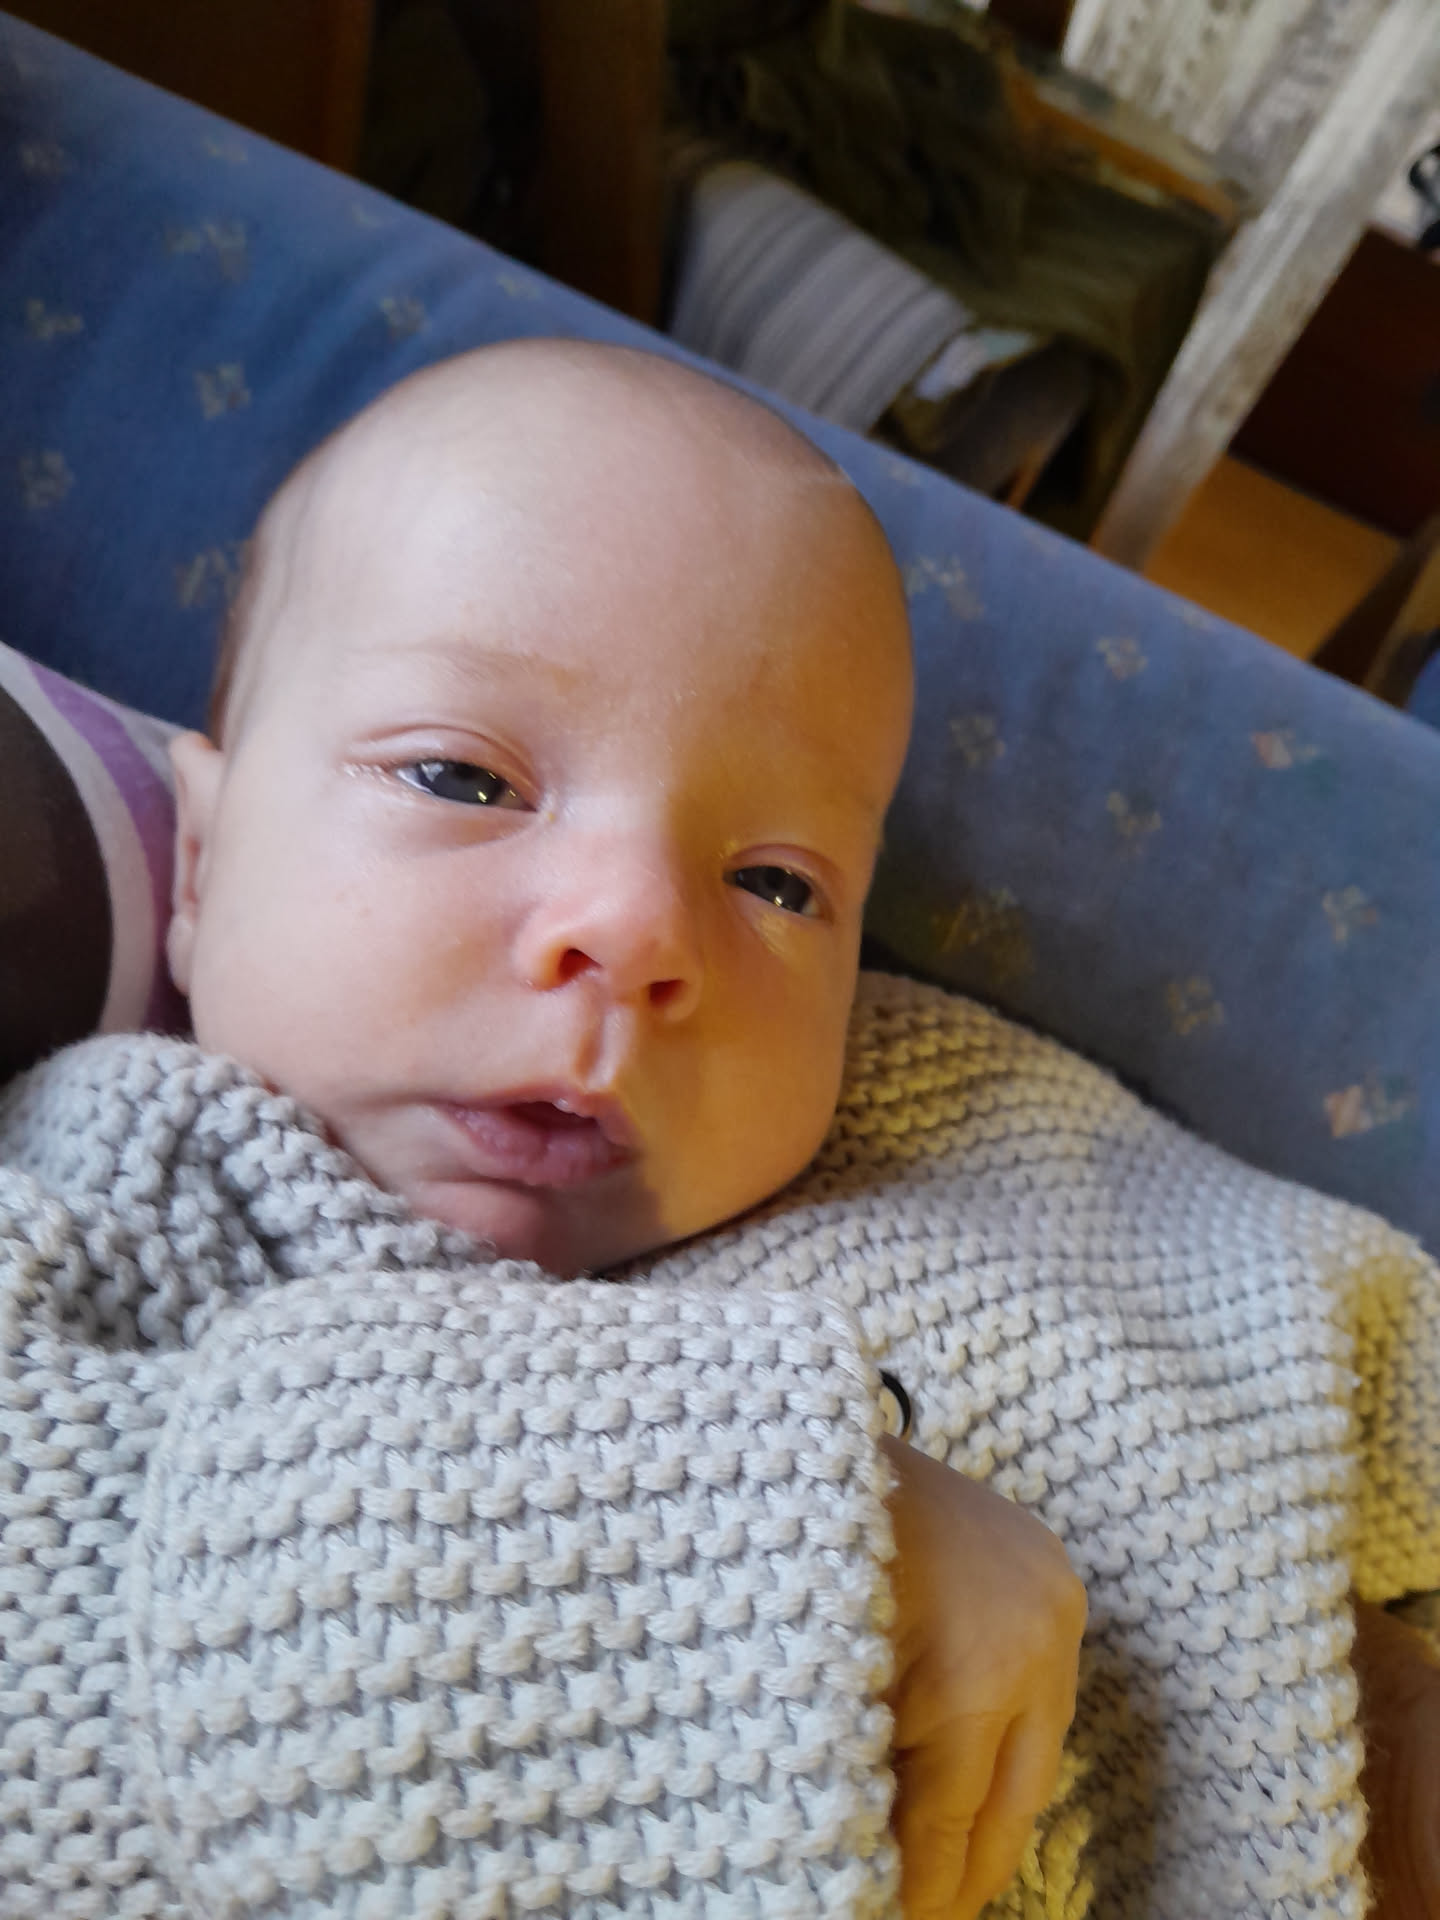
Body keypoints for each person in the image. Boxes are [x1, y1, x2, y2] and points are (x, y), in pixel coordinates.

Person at [160, 335, 1088, 1918]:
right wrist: (779, 1504)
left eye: (776, 883)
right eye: (463, 778)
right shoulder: (115, 1169)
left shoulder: (933, 1153)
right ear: (196, 865)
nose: (640, 928)